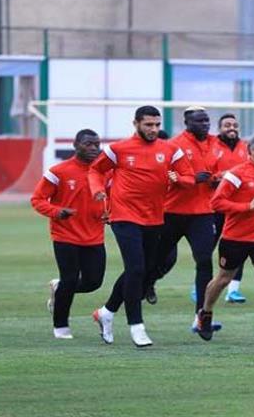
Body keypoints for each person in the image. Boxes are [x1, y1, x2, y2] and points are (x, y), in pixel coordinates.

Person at [89, 106, 194, 347]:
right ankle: (137, 327)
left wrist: (179, 179)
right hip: (123, 215)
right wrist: (97, 190)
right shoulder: (118, 149)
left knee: (142, 270)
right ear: (136, 124)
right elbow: (95, 170)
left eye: (157, 125)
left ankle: (106, 312)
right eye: (148, 124)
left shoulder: (170, 150)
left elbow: (189, 178)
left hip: (154, 218)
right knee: (136, 268)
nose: (153, 129)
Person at [196, 133, 254, 344]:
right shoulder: (236, 174)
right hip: (235, 238)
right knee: (223, 279)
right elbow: (216, 203)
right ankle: (205, 312)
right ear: (252, 151)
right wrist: (247, 206)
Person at [144, 107, 220, 333]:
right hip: (173, 212)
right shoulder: (174, 145)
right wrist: (190, 179)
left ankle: (202, 317)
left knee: (204, 261)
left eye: (207, 120)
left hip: (203, 213)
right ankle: (145, 284)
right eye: (199, 121)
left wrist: (216, 180)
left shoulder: (216, 144)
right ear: (187, 123)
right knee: (159, 258)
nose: (205, 124)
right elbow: (165, 175)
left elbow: (218, 171)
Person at [31, 129, 107, 339]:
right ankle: (61, 326)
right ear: (75, 145)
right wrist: (57, 212)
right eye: (88, 144)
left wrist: (109, 212)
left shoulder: (104, 171)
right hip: (65, 236)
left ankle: (59, 288)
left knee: (93, 282)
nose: (93, 148)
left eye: (97, 144)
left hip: (94, 236)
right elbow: (37, 199)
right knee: (70, 279)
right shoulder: (59, 171)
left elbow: (110, 197)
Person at [212, 113, 250, 303]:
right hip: (215, 206)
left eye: (234, 125)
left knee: (239, 246)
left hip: (238, 208)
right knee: (206, 248)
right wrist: (221, 176)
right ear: (219, 128)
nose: (231, 128)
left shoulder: (246, 147)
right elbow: (205, 173)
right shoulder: (212, 147)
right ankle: (201, 286)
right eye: (227, 125)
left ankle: (233, 291)